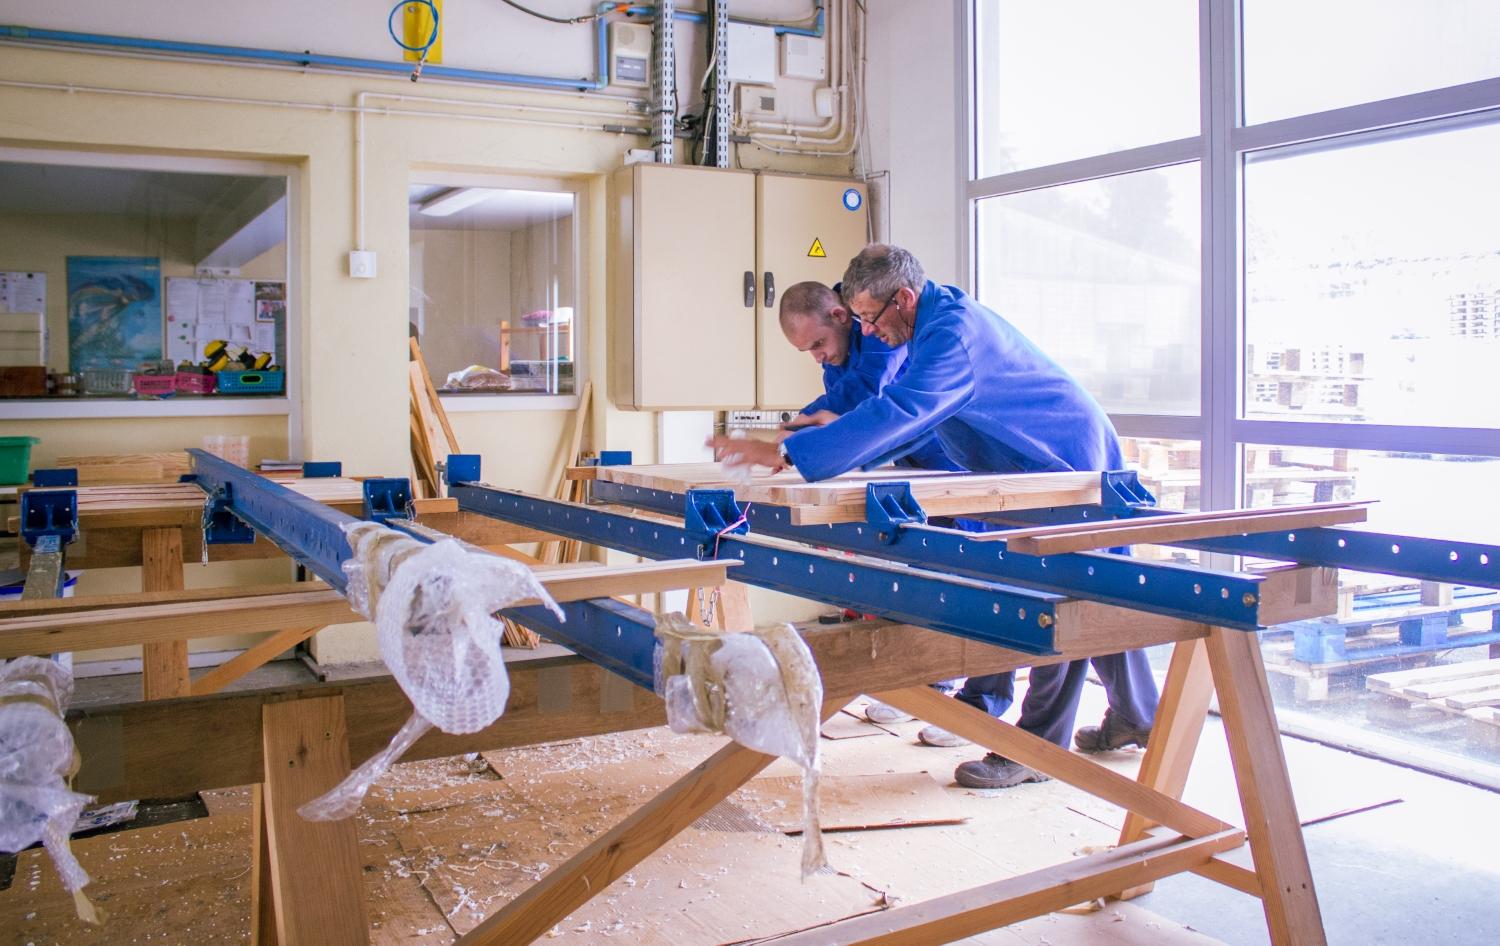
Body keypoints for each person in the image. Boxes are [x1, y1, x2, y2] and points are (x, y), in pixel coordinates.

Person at [713, 245, 1158, 789]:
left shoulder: (952, 335)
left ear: (902, 299)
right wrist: (822, 440)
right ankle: (1137, 716)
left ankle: (1037, 750)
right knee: (1099, 586)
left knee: (1062, 595)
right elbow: (915, 419)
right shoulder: (930, 324)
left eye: (871, 319)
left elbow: (904, 411)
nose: (869, 333)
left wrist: (790, 454)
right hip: (1039, 456)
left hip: (1064, 457)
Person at [777, 280, 1012, 747]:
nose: (818, 357)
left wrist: (794, 438)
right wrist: (796, 433)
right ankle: (931, 683)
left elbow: (869, 402)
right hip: (914, 470)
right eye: (808, 351)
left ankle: (983, 704)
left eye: (819, 344)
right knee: (924, 578)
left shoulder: (881, 340)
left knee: (979, 583)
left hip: (954, 468)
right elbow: (840, 410)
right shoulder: (841, 349)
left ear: (844, 317)